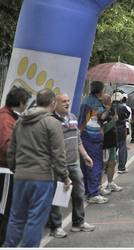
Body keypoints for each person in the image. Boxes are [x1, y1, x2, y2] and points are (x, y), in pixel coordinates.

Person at [3, 89, 72, 247]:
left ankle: (9, 246)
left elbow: (12, 150)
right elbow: (58, 154)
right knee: (35, 219)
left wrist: (16, 170)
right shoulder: (52, 122)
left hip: (20, 176)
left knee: (16, 218)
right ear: (53, 103)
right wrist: (65, 177)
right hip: (42, 178)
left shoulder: (20, 121)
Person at [48, 92, 95, 238]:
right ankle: (56, 227)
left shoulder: (73, 118)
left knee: (79, 193)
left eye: (68, 101)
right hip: (58, 165)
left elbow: (77, 139)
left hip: (73, 164)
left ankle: (78, 222)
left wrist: (85, 155)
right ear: (55, 104)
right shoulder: (51, 121)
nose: (67, 103)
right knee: (58, 197)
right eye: (63, 101)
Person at [0, 87, 31, 247]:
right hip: (4, 170)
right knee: (2, 210)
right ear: (21, 103)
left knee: (4, 208)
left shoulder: (8, 116)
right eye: (26, 103)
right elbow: (7, 146)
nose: (27, 105)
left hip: (5, 169)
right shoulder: (5, 119)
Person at [78, 81, 111, 204]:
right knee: (95, 165)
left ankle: (87, 191)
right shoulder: (95, 102)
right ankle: (94, 193)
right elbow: (102, 116)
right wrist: (107, 110)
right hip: (93, 137)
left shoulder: (85, 100)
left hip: (83, 136)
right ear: (101, 91)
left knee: (85, 165)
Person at [100, 94, 123, 193]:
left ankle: (110, 183)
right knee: (103, 164)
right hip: (106, 144)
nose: (111, 103)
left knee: (112, 163)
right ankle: (99, 186)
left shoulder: (109, 112)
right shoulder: (102, 114)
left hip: (112, 142)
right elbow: (103, 129)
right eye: (109, 101)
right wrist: (113, 121)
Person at [111, 92, 131, 174]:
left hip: (111, 130)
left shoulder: (109, 107)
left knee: (111, 149)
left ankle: (108, 167)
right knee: (122, 148)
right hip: (121, 130)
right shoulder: (123, 107)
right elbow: (128, 114)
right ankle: (121, 167)